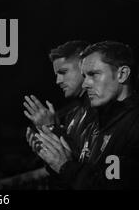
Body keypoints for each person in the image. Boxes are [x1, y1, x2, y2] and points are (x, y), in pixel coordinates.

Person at [34, 41, 139, 189]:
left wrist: (65, 166)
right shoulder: (103, 121)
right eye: (84, 76)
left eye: (93, 74)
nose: (85, 83)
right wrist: (56, 161)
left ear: (122, 74)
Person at [23, 40, 91, 188]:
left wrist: (52, 128)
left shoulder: (105, 110)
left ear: (84, 65)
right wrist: (48, 146)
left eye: (63, 72)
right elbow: (68, 167)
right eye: (56, 74)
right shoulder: (72, 116)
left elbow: (88, 167)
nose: (58, 81)